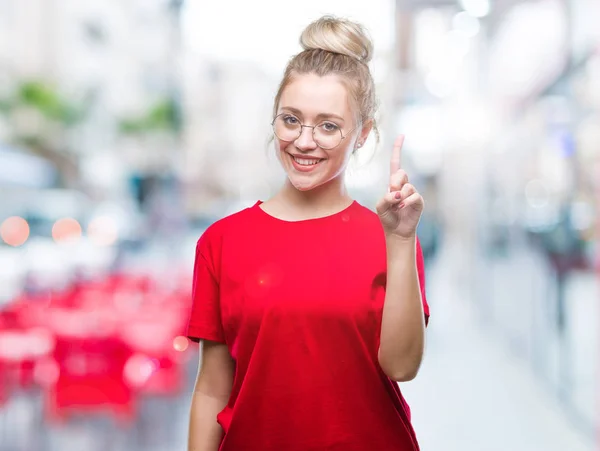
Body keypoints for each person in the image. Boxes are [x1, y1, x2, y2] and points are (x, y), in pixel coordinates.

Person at [187, 15, 430, 451]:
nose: (304, 140)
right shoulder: (220, 242)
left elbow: (402, 366)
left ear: (362, 135)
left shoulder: (391, 234)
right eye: (291, 119)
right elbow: (211, 388)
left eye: (329, 125)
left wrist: (401, 242)